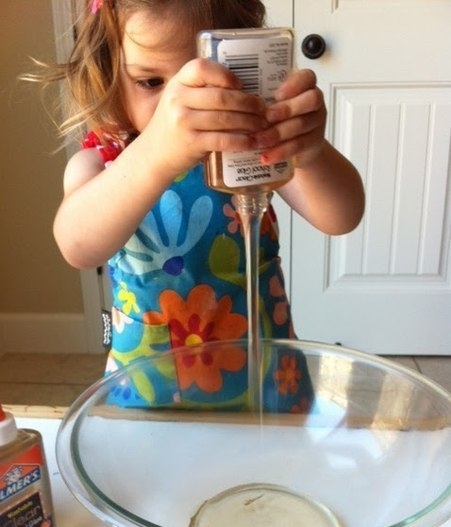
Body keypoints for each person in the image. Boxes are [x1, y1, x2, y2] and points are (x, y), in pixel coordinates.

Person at [32, 0, 364, 410]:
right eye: (151, 82)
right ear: (109, 73)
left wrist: (309, 152)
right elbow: (78, 247)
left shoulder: (252, 152)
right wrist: (156, 153)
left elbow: (342, 216)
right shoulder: (102, 163)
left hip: (267, 389)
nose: (181, 108)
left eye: (211, 81)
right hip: (150, 400)